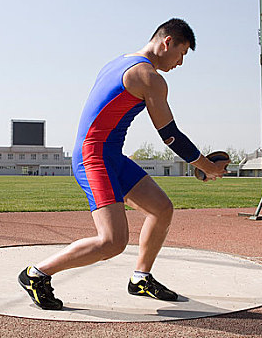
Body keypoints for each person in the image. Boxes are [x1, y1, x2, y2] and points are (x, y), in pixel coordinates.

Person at [18, 18, 229, 310]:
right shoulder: (149, 77)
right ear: (168, 42)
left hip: (110, 156)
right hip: (94, 158)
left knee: (161, 208)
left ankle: (141, 278)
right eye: (182, 53)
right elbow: (170, 136)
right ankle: (36, 275)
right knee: (113, 241)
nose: (180, 63)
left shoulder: (120, 61)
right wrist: (207, 165)